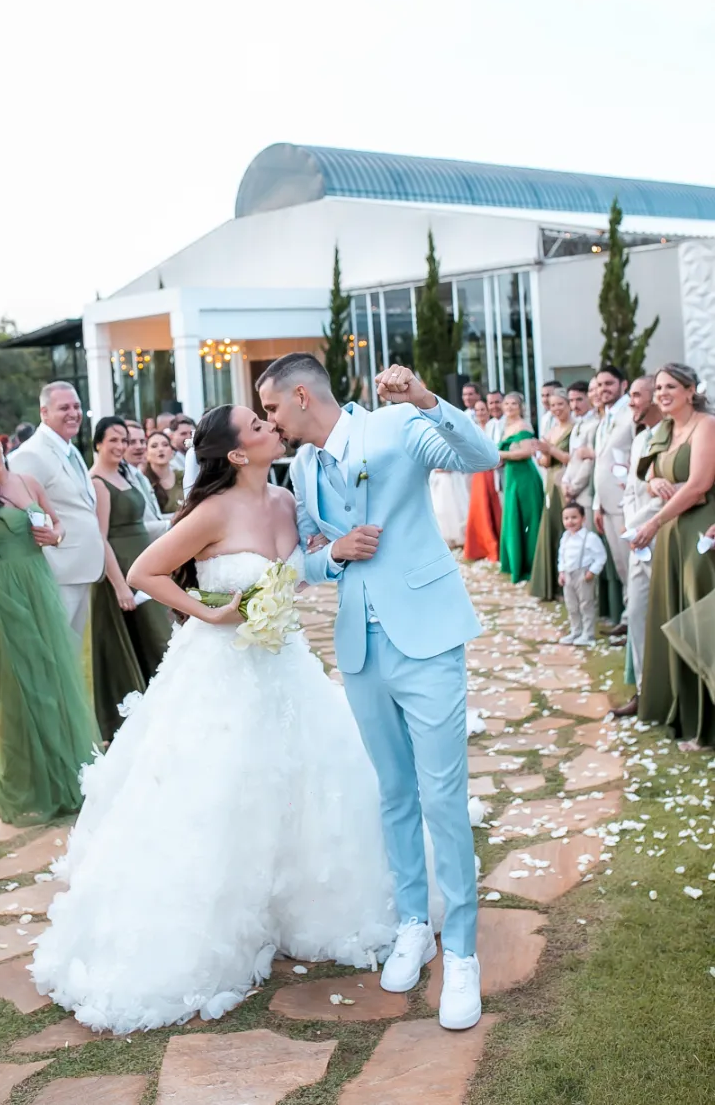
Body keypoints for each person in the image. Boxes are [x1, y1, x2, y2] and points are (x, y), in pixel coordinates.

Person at [31, 402, 398, 1034]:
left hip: (284, 663)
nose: (270, 427)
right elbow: (146, 571)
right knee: (220, 790)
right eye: (257, 426)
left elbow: (298, 573)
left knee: (306, 779)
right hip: (220, 671)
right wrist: (208, 612)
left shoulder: (285, 500)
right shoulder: (212, 511)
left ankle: (300, 905)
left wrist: (327, 556)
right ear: (234, 453)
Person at [258, 353, 499, 1030]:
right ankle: (414, 924)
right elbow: (305, 561)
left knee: (443, 796)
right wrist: (334, 556)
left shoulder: (395, 425)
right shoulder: (304, 470)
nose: (271, 422)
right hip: (360, 650)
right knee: (393, 793)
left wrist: (425, 398)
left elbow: (480, 457)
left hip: (427, 637)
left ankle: (462, 952)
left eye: (272, 408)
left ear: (301, 395)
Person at [0, 422, 99, 825]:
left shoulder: (28, 481)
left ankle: (68, 776)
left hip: (40, 584)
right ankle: (32, 785)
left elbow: (58, 523)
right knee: (21, 686)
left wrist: (55, 536)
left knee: (55, 676)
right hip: (4, 592)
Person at [634, 365, 715, 748]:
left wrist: (653, 523)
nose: (662, 393)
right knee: (673, 615)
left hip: (699, 531)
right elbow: (650, 474)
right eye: (658, 388)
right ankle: (683, 713)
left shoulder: (706, 426)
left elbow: (698, 485)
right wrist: (654, 482)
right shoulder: (665, 430)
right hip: (672, 533)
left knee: (699, 623)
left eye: (670, 387)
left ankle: (707, 725)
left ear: (690, 390)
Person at [90, 417, 172, 743]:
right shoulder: (98, 482)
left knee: (161, 638)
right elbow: (100, 538)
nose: (120, 445)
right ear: (98, 443)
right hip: (121, 570)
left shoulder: (127, 474)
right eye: (113, 439)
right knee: (151, 641)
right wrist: (120, 585)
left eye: (123, 440)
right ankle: (133, 720)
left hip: (144, 564)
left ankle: (166, 711)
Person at [8, 382, 105, 643]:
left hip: (78, 568)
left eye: (77, 406)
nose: (73, 413)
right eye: (64, 408)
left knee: (70, 651)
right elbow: (18, 515)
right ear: (44, 412)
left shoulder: (70, 449)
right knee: (54, 650)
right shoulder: (30, 454)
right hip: (55, 571)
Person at [613, 376, 661, 717]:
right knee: (639, 614)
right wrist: (631, 527)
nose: (631, 402)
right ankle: (645, 691)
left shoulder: (675, 435)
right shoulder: (641, 438)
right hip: (637, 538)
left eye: (637, 395)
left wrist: (641, 525)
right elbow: (631, 489)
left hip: (663, 532)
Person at [592, 366, 633, 630]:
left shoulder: (631, 413)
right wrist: (597, 504)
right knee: (620, 565)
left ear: (623, 385)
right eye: (599, 385)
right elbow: (601, 462)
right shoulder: (604, 417)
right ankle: (628, 617)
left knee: (630, 565)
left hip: (624, 502)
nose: (603, 389)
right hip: (606, 504)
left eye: (609, 383)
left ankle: (633, 621)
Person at [529, 390, 573, 601]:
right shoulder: (552, 429)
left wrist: (550, 449)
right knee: (550, 527)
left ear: (568, 405)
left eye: (560, 404)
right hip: (550, 481)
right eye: (553, 405)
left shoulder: (575, 428)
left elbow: (570, 458)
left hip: (566, 481)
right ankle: (550, 586)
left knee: (566, 527)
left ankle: (567, 586)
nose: (556, 409)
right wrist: (541, 453)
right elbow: (546, 462)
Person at [498, 392, 544, 584]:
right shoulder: (506, 426)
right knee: (512, 517)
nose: (509, 407)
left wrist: (500, 454)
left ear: (520, 407)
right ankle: (514, 562)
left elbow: (526, 452)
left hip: (524, 477)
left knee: (526, 518)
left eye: (513, 404)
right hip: (511, 476)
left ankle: (529, 564)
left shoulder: (523, 426)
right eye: (506, 404)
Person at [557, 503, 607, 646]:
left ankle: (588, 634)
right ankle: (576, 631)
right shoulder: (565, 537)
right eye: (566, 518)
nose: (570, 521)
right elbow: (561, 556)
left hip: (583, 574)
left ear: (583, 518)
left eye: (574, 517)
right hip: (568, 574)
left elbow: (601, 556)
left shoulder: (590, 538)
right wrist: (561, 572)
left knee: (586, 604)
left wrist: (592, 571)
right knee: (571, 605)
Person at [463, 400, 502, 562]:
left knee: (493, 505)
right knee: (480, 506)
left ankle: (496, 543)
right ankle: (481, 545)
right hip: (479, 472)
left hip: (492, 471)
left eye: (483, 409)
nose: (480, 413)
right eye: (477, 410)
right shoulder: (473, 428)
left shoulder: (495, 426)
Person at [123, 422, 168, 539]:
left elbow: (155, 517)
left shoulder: (141, 476)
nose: (139, 446)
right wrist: (172, 523)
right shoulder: (120, 479)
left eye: (142, 441)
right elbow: (132, 527)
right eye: (132, 442)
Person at [560, 382, 595, 514]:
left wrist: (574, 487)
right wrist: (565, 482)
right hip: (572, 490)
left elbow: (589, 461)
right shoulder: (576, 425)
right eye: (571, 401)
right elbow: (572, 458)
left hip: (586, 491)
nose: (575, 405)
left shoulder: (595, 424)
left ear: (589, 398)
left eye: (579, 399)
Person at [144, 430, 184, 516]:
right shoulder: (143, 482)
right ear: (146, 453)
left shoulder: (184, 476)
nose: (161, 449)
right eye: (154, 446)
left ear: (172, 452)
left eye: (165, 445)